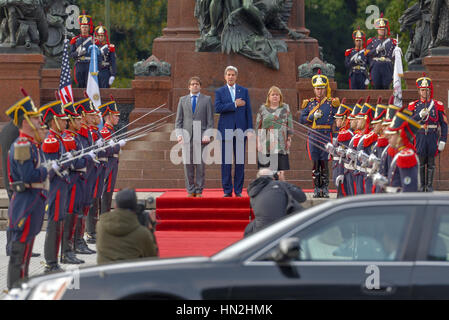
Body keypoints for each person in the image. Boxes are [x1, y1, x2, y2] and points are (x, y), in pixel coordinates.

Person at [5, 94, 50, 289]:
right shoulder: (22, 146)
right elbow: (28, 175)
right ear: (25, 121)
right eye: (35, 118)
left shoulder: (31, 145)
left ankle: (22, 285)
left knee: (27, 245)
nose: (40, 121)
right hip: (25, 201)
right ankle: (15, 289)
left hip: (33, 200)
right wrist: (47, 169)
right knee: (19, 249)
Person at [39, 99, 71, 273]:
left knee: (59, 221)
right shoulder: (51, 140)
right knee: (54, 222)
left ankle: (54, 262)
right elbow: (47, 169)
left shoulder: (58, 139)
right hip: (55, 186)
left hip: (62, 185)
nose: (66, 122)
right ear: (53, 121)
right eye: (63, 119)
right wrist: (59, 165)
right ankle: (50, 262)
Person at [299, 69, 340, 198]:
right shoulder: (309, 104)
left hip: (326, 134)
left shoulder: (332, 103)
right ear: (314, 89)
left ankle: (325, 188)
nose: (319, 91)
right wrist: (312, 117)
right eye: (317, 88)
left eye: (322, 88)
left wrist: (337, 135)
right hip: (313, 135)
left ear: (325, 88)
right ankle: (317, 188)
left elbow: (338, 118)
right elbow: (301, 119)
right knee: (315, 163)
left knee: (324, 162)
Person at [215, 66, 254, 197]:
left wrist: (249, 129)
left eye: (233, 75)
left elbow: (248, 111)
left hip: (240, 131)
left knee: (239, 162)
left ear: (236, 76)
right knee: (226, 162)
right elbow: (218, 108)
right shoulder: (220, 91)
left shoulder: (243, 91)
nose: (230, 77)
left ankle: (238, 190)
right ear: (225, 76)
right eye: (228, 74)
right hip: (225, 131)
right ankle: (227, 191)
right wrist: (234, 104)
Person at [407, 74, 448, 192]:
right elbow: (409, 122)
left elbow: (444, 124)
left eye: (427, 90)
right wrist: (419, 116)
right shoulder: (414, 105)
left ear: (430, 91)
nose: (425, 92)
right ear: (419, 91)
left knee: (431, 163)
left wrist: (443, 140)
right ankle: (421, 186)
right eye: (422, 90)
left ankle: (429, 186)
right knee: (420, 163)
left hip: (432, 136)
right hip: (419, 136)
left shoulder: (437, 105)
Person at [96, 189, 158, 264]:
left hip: (105, 273)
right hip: (130, 274)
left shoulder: (101, 225)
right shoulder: (142, 233)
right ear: (134, 207)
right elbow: (152, 257)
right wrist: (151, 228)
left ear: (115, 205)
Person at [175, 76, 214, 197]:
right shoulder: (182, 100)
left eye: (197, 84)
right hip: (186, 138)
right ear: (189, 87)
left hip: (202, 138)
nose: (195, 85)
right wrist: (179, 134)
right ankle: (190, 190)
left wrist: (207, 135)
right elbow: (178, 121)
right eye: (192, 84)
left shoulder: (207, 100)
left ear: (200, 86)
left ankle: (199, 190)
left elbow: (210, 121)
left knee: (200, 166)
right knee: (188, 165)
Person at [244, 168, 306, 237]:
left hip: (261, 230)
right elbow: (302, 197)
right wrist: (283, 182)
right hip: (282, 228)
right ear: (273, 177)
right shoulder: (280, 184)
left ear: (257, 178)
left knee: (248, 229)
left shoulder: (253, 190)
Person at [256, 86, 293, 181]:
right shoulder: (262, 108)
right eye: (273, 95)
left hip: (281, 143)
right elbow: (258, 127)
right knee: (266, 171)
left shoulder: (285, 107)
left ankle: (280, 190)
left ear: (280, 97)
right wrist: (258, 143)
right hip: (266, 144)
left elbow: (289, 124)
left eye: (277, 95)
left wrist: (289, 139)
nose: (275, 97)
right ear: (269, 97)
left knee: (280, 172)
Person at [382, 108, 422, 193]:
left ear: (400, 135)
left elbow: (409, 191)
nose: (388, 137)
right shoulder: (401, 154)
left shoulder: (406, 156)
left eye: (392, 135)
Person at [99, 98, 125, 212]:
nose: (118, 118)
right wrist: (118, 146)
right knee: (106, 189)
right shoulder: (105, 131)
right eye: (115, 115)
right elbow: (108, 150)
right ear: (109, 116)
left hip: (113, 163)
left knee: (109, 189)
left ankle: (106, 212)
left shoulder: (111, 131)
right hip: (108, 163)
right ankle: (104, 213)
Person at [365, 14, 397, 89]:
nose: (382, 31)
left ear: (386, 30)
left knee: (386, 86)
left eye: (384, 29)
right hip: (376, 66)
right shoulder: (372, 41)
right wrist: (376, 50)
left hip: (387, 66)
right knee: (376, 86)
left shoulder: (392, 42)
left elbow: (396, 57)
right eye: (380, 29)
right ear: (377, 30)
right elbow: (367, 54)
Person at [333, 99, 353, 197]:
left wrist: (341, 172)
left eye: (338, 118)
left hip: (341, 168)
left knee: (342, 195)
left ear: (344, 119)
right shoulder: (341, 133)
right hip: (337, 167)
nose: (336, 120)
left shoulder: (346, 134)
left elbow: (343, 157)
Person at [70, 11, 94, 88]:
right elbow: (71, 54)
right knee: (80, 85)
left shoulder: (94, 40)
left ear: (89, 28)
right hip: (79, 64)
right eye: (83, 27)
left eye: (86, 27)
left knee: (89, 85)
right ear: (80, 28)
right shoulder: (75, 40)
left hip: (89, 64)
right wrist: (78, 53)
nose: (84, 29)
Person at [94, 24, 117, 88]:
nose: (100, 37)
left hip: (105, 72)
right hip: (95, 72)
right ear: (96, 36)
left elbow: (113, 62)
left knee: (105, 92)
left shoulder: (110, 47)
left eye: (102, 36)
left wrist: (113, 75)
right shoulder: (93, 47)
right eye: (99, 36)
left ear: (104, 36)